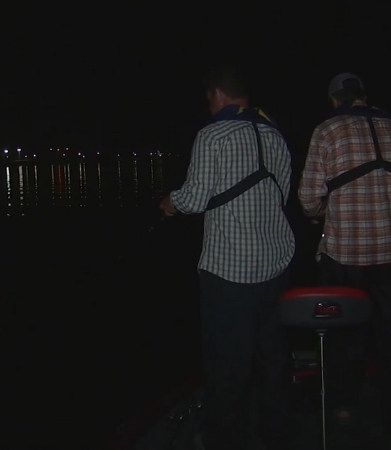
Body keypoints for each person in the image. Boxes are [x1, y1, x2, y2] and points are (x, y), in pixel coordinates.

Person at [159, 65, 295, 450]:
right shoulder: (276, 135)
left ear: (218, 94)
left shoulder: (213, 133)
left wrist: (171, 203)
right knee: (272, 359)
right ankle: (276, 433)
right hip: (276, 267)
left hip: (229, 274)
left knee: (227, 365)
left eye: (208, 98)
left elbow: (196, 197)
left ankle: (224, 439)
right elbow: (282, 196)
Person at [298, 73, 391, 449]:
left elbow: (307, 196)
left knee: (345, 334)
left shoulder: (327, 130)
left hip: (347, 251)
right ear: (365, 97)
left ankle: (344, 410)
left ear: (335, 100)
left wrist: (321, 212)